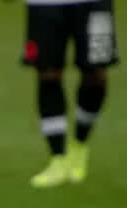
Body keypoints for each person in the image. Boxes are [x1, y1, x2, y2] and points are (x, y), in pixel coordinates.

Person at [19, 0, 118, 187]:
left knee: (95, 75)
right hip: (44, 4)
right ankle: (58, 158)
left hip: (93, 3)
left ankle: (80, 144)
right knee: (48, 74)